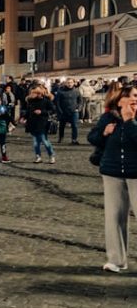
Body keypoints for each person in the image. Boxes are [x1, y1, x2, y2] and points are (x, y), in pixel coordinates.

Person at [87, 83, 137, 273]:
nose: (134, 98)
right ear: (119, 99)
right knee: (114, 218)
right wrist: (103, 132)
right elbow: (92, 138)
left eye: (136, 96)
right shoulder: (108, 117)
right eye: (130, 95)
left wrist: (130, 122)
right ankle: (116, 260)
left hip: (136, 173)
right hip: (112, 172)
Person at [24, 84, 56, 164]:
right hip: (32, 122)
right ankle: (38, 156)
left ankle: (51, 155)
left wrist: (42, 112)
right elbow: (28, 111)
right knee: (35, 142)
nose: (32, 95)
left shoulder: (46, 101)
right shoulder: (30, 101)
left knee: (44, 140)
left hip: (43, 122)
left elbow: (53, 110)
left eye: (34, 93)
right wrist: (23, 117)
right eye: (32, 93)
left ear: (39, 93)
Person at [55, 78, 81, 145]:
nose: (69, 84)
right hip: (63, 112)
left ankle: (74, 139)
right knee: (62, 126)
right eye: (68, 82)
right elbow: (57, 102)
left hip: (74, 112)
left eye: (71, 82)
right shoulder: (60, 91)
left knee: (75, 126)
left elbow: (80, 101)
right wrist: (60, 111)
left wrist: (78, 108)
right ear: (65, 83)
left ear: (73, 83)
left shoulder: (77, 91)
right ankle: (61, 137)